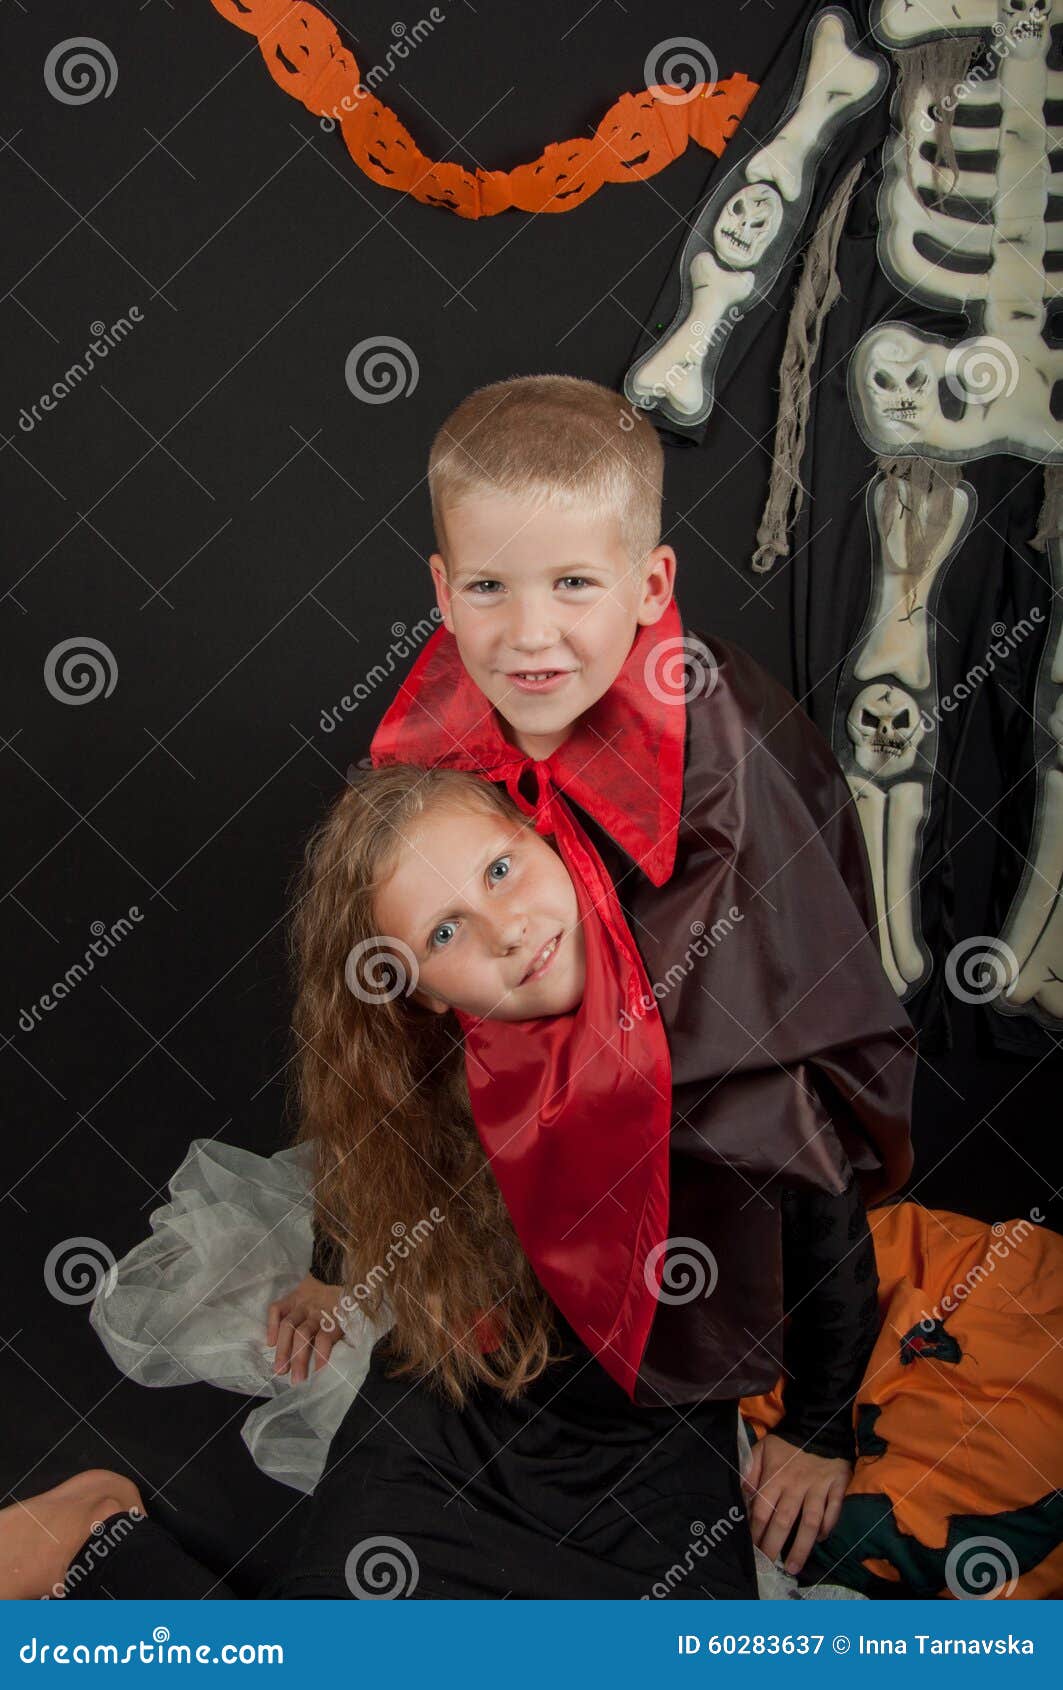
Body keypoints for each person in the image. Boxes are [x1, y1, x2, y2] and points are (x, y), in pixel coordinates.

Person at [5, 763, 881, 1599]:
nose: (505, 929)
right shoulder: (448, 1072)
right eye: (445, 932)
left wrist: (814, 1427)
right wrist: (330, 1271)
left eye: (501, 870)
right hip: (457, 1407)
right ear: (419, 991)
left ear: (550, 838)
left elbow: (824, 1231)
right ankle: (95, 1538)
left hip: (650, 1436)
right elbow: (371, 1151)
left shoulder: (720, 1026)